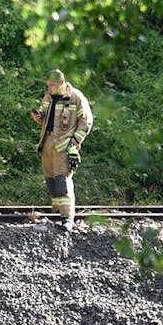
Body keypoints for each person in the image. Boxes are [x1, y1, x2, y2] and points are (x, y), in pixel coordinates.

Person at [30, 69, 93, 232]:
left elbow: (86, 122)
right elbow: (46, 116)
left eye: (52, 85)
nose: (49, 88)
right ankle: (57, 213)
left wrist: (74, 143)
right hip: (47, 142)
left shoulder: (75, 97)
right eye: (48, 85)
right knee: (51, 181)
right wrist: (39, 117)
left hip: (64, 145)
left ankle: (67, 219)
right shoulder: (48, 97)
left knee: (62, 181)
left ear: (61, 83)